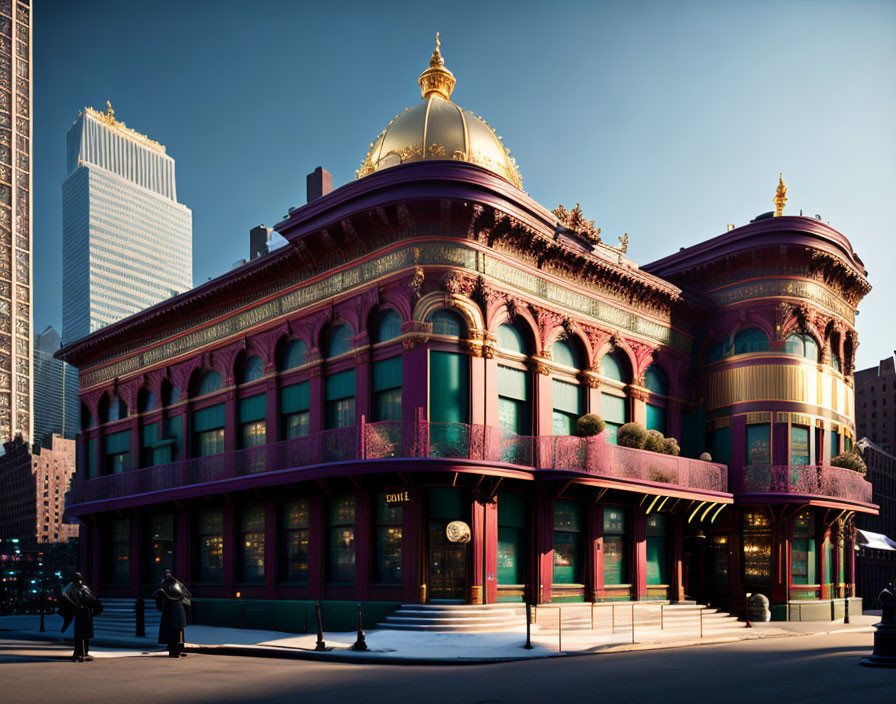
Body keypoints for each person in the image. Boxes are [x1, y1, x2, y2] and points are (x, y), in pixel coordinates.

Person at [59, 572, 103, 662]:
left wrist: (95, 607)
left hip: (86, 612)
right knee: (79, 634)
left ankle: (85, 652)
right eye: (76, 577)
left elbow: (92, 599)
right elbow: (67, 600)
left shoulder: (84, 588)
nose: (78, 579)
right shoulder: (70, 589)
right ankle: (78, 653)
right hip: (79, 612)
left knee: (85, 634)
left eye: (79, 577)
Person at [154, 569, 191, 657]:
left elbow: (159, 598)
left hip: (172, 611)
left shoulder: (169, 586)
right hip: (175, 611)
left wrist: (160, 606)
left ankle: (176, 650)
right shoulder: (177, 585)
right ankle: (176, 650)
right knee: (176, 631)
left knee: (175, 631)